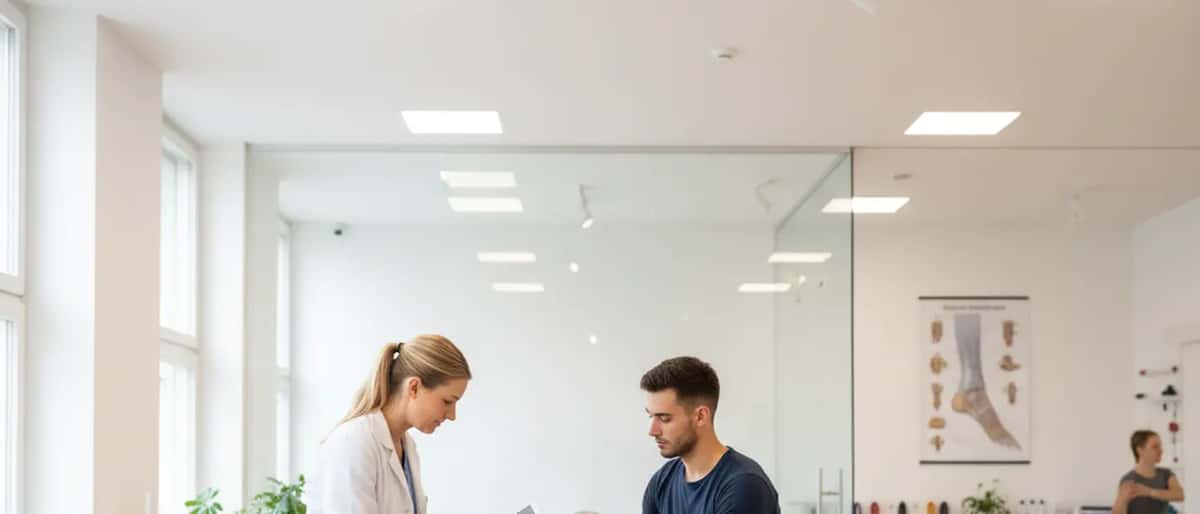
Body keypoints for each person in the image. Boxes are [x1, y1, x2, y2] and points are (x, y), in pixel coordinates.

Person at [314, 335, 471, 514]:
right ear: (414, 387)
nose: (452, 416)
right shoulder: (354, 442)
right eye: (447, 401)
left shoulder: (407, 446)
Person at [640, 356, 780, 514]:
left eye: (665, 418)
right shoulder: (661, 483)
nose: (652, 431)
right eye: (651, 416)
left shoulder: (744, 486)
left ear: (700, 416)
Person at [1113, 430, 1185, 514]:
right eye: (1155, 447)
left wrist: (1149, 492)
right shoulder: (1128, 480)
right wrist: (1122, 500)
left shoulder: (1166, 474)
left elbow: (1180, 495)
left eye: (1160, 446)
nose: (1161, 450)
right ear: (1140, 450)